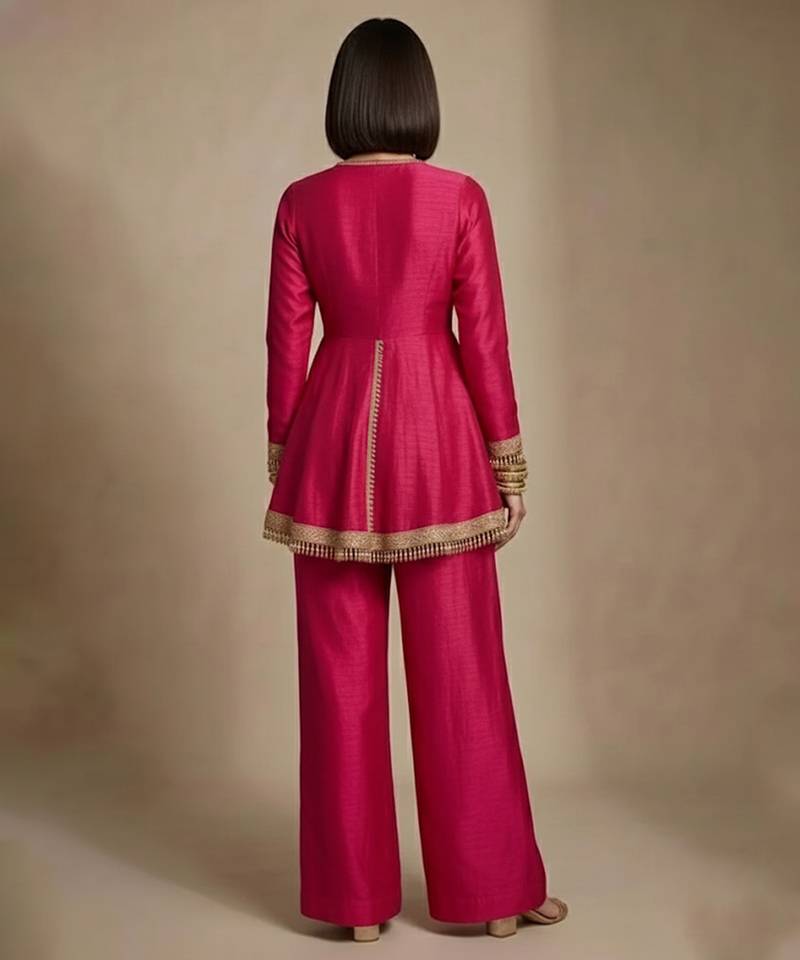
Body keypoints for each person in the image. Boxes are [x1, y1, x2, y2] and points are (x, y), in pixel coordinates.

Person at [261, 16, 568, 942]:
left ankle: (355, 908)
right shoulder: (460, 197)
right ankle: (493, 895)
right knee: (463, 675)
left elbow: (285, 343)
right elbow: (488, 340)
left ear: (345, 101)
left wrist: (286, 452)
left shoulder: (301, 203)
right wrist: (507, 460)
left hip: (330, 446)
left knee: (337, 683)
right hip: (440, 443)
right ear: (421, 100)